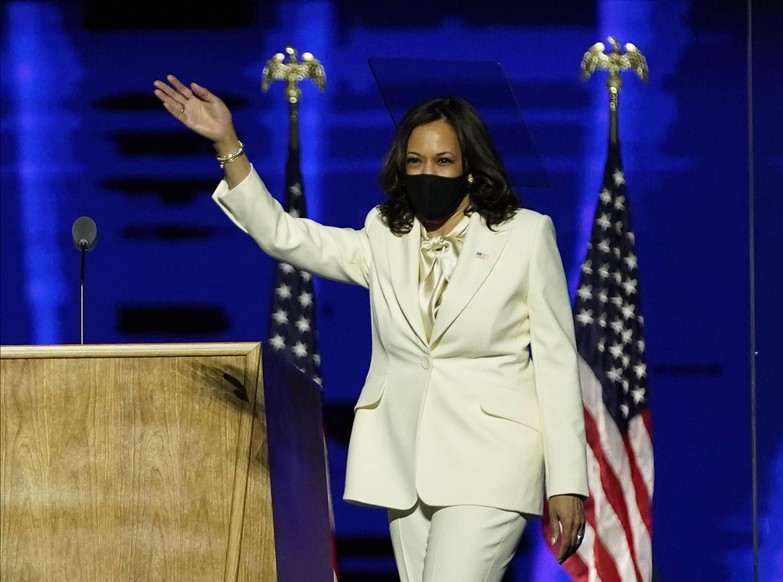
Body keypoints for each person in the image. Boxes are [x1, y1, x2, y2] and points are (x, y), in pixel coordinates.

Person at [154, 74, 589, 582]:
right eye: (415, 161)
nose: (428, 173)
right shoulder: (385, 234)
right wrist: (228, 144)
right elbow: (285, 236)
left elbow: (557, 362)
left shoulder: (525, 235)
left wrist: (567, 481)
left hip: (491, 463)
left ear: (471, 170)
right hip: (404, 461)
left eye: (444, 161)